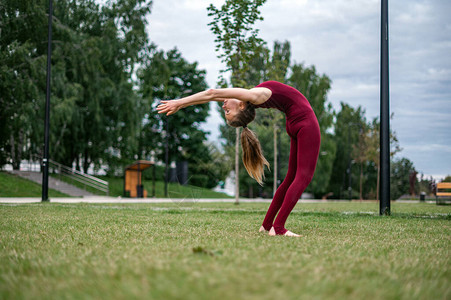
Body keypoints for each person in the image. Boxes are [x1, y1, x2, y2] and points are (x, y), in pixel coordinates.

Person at [157, 81, 321, 237]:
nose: (223, 106)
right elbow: (212, 93)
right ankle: (277, 228)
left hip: (294, 123)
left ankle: (266, 225)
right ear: (241, 106)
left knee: (291, 177)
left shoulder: (253, 96)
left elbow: (213, 95)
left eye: (226, 110)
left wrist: (181, 103)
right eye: (227, 111)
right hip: (305, 123)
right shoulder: (255, 96)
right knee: (303, 177)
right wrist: (179, 103)